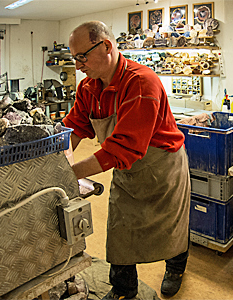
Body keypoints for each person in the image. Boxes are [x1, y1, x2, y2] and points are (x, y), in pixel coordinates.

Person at [62, 21, 191, 299]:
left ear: (106, 46)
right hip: (125, 168)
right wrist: (58, 161)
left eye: (82, 57)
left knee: (172, 226)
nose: (78, 66)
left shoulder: (141, 82)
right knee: (119, 229)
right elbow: (74, 129)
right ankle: (123, 287)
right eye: (74, 58)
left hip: (162, 166)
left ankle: (176, 268)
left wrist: (70, 173)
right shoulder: (88, 88)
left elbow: (124, 147)